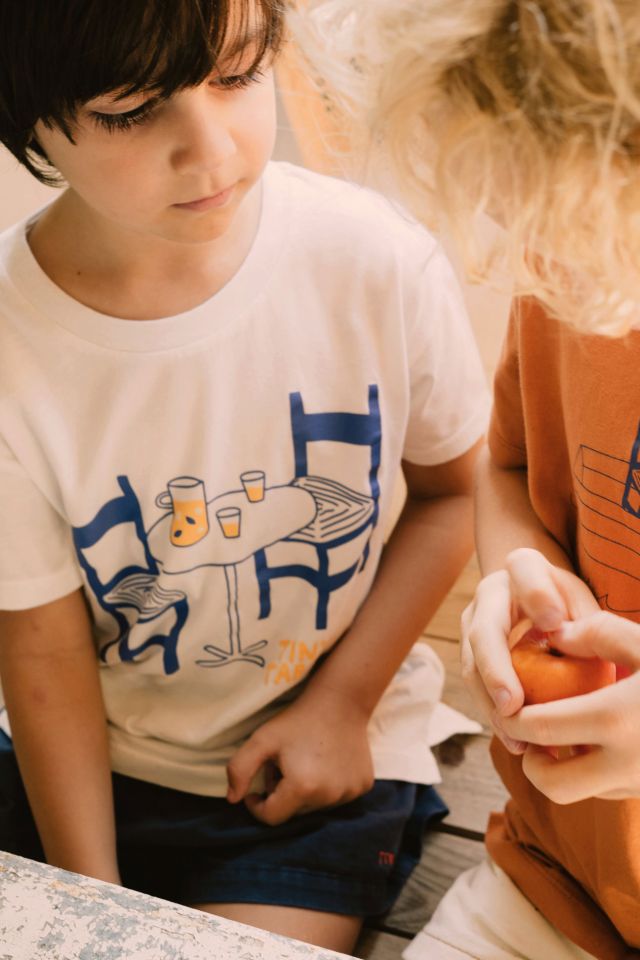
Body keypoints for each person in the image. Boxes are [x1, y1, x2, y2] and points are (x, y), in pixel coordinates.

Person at [0, 0, 489, 953]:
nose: (212, 148)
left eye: (237, 75)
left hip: (313, 768)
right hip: (77, 765)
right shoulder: (15, 341)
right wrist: (91, 903)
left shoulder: (376, 259)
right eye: (132, 110)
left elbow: (458, 491)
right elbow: (43, 651)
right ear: (29, 120)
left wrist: (342, 706)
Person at [286, 0, 640, 957]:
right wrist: (520, 573)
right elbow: (511, 467)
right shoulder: (570, 262)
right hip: (560, 889)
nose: (550, 265)